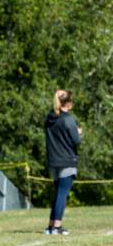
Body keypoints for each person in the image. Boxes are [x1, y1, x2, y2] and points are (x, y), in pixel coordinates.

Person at [44, 89, 81, 235]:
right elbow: (76, 140)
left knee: (58, 193)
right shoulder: (68, 119)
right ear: (69, 104)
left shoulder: (49, 118)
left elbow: (53, 111)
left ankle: (51, 226)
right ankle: (57, 227)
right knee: (62, 194)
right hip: (67, 160)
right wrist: (78, 133)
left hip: (53, 161)